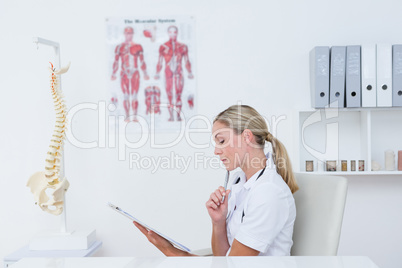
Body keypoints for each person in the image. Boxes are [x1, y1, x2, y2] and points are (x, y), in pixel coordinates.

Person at [134, 105, 299, 256]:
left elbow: (233, 264)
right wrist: (218, 222)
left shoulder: (269, 191)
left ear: (247, 136)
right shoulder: (238, 182)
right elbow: (222, 258)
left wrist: (170, 251)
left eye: (221, 141)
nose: (216, 151)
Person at [154, 25, 194, 122]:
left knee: (178, 95)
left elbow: (186, 61)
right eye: (170, 32)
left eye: (174, 32)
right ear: (168, 33)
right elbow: (160, 61)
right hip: (168, 74)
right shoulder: (163, 47)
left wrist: (189, 72)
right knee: (170, 95)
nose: (173, 34)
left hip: (179, 73)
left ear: (177, 33)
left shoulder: (183, 47)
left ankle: (178, 116)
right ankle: (171, 116)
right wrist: (157, 73)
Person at [111, 26, 150, 122]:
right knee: (126, 95)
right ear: (124, 34)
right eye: (127, 33)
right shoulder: (119, 47)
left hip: (135, 73)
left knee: (135, 95)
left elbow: (142, 61)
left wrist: (145, 73)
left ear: (133, 34)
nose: (129, 35)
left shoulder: (138, 46)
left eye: (130, 33)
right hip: (124, 73)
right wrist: (113, 73)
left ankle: (135, 116)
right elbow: (116, 61)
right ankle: (127, 116)